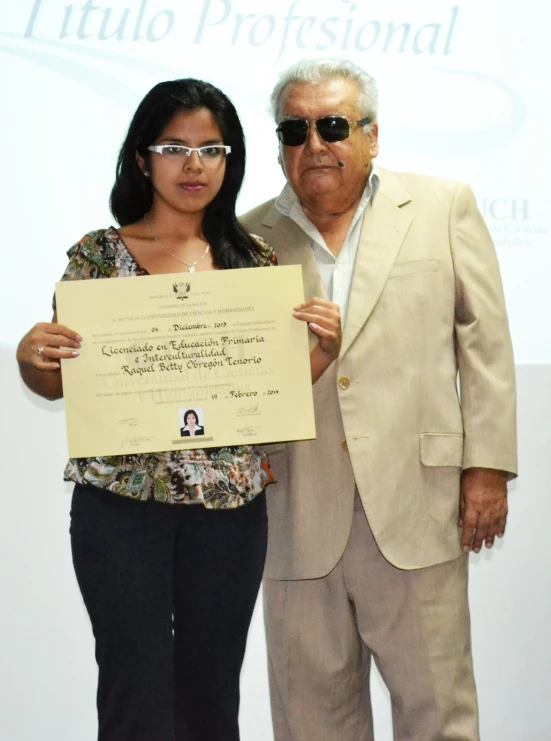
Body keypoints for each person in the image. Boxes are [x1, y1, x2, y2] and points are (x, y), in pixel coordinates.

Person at [16, 78, 341, 741]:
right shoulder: (96, 258)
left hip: (228, 512)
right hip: (119, 510)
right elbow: (60, 385)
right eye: (173, 147)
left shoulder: (254, 263)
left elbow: (265, 399)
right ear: (141, 158)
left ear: (231, 160)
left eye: (211, 149)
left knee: (211, 688)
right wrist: (31, 359)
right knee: (133, 683)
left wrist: (319, 356)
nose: (193, 165)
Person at [241, 58, 517, 741]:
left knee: (438, 715)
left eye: (333, 125)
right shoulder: (241, 238)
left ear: (371, 135)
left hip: (418, 505)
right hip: (295, 510)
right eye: (295, 130)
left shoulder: (440, 204)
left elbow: (483, 343)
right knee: (311, 721)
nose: (315, 145)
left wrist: (485, 465)